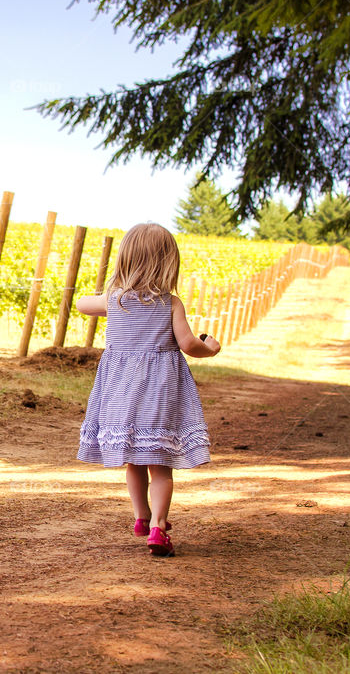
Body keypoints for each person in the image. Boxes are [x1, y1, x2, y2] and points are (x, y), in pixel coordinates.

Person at [76, 223, 220, 556]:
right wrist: (209, 348)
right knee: (161, 463)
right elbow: (187, 343)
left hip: (121, 393)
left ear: (125, 259)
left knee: (133, 460)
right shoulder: (170, 303)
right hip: (159, 392)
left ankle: (141, 517)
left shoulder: (115, 301)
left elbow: (83, 304)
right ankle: (158, 526)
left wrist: (112, 294)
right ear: (168, 262)